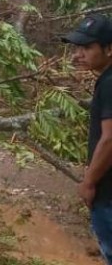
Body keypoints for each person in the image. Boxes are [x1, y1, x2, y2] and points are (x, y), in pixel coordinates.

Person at [63, 14, 112, 264]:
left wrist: (89, 182)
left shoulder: (109, 83)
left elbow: (110, 139)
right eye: (77, 47)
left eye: (87, 47)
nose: (78, 54)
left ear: (109, 48)